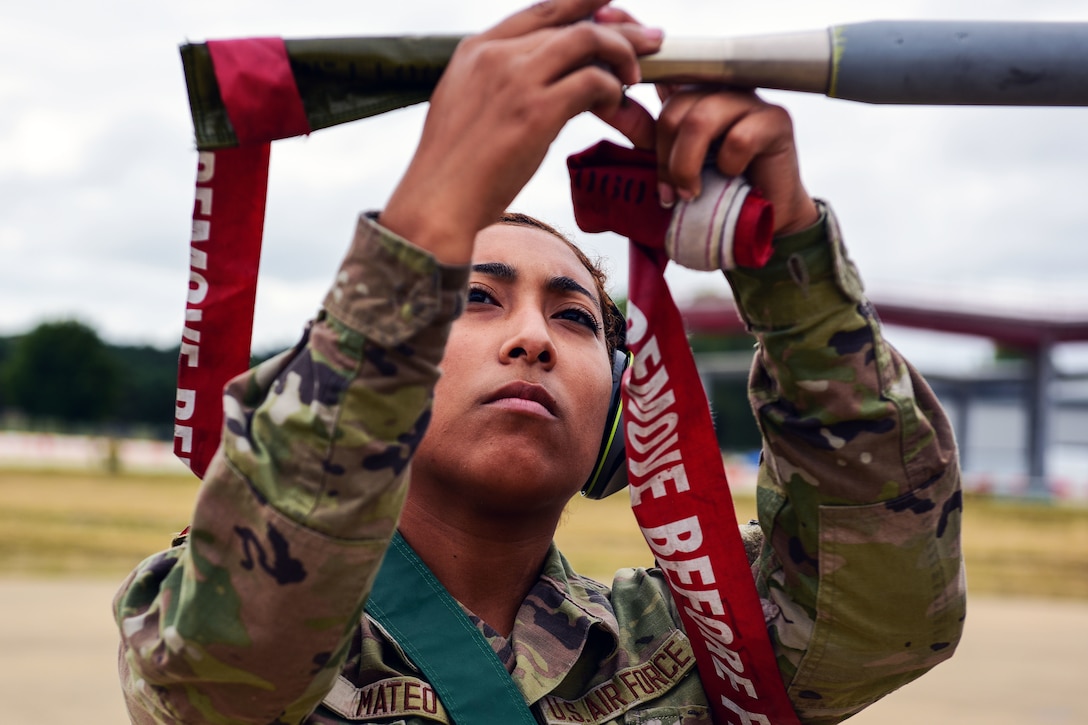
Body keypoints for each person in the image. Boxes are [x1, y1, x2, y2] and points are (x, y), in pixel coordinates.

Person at [114, 1, 965, 723]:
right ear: (385, 372)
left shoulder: (692, 643)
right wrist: (423, 228)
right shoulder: (211, 611)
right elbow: (226, 668)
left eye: (575, 316)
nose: (534, 338)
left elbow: (884, 609)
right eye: (475, 299)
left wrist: (788, 265)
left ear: (620, 421)